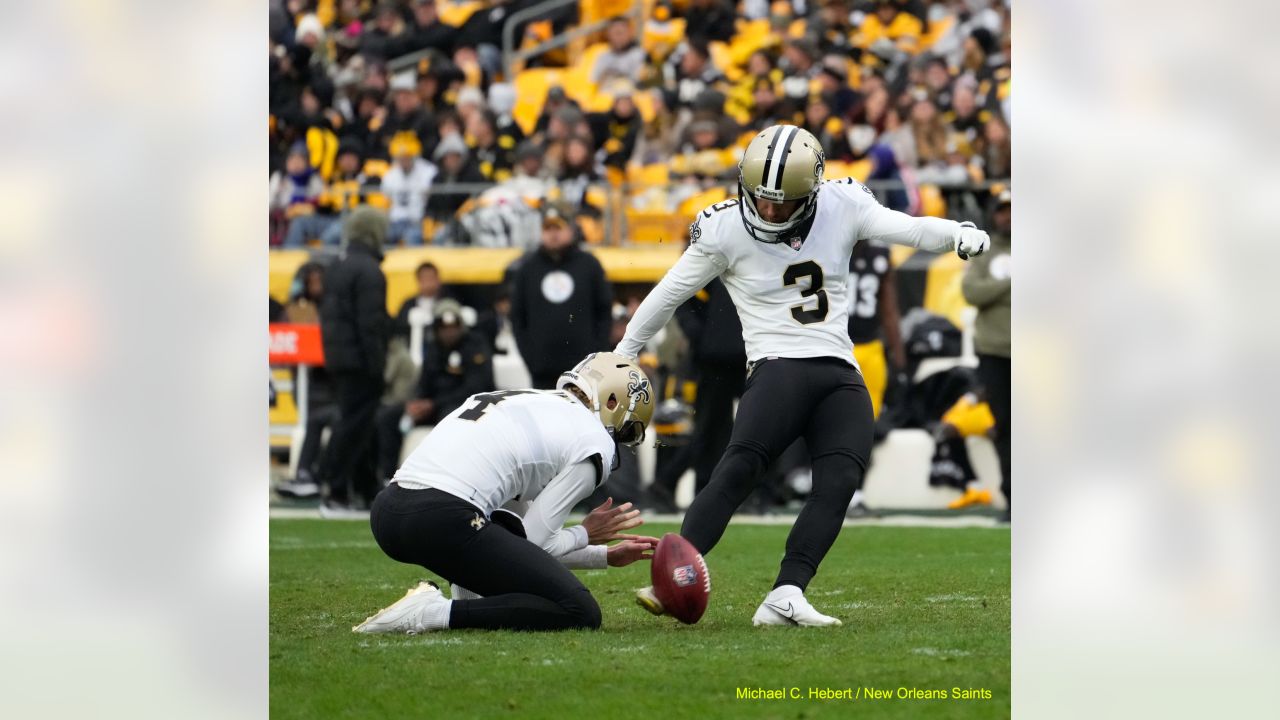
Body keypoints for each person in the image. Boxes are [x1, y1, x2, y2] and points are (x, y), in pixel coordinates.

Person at [619, 125, 990, 626]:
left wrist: (956, 234)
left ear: (812, 190)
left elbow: (910, 227)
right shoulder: (724, 228)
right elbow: (669, 293)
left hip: (840, 369)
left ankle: (786, 594)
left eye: (783, 202)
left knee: (838, 481)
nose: (769, 211)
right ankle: (669, 582)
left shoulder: (842, 204)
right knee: (739, 470)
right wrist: (625, 351)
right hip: (778, 367)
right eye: (762, 200)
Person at [354, 352, 657, 634]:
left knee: (501, 530)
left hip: (390, 511)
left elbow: (520, 546)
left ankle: (465, 594)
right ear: (613, 403)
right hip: (444, 519)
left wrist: (605, 556)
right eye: (627, 430)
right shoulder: (594, 441)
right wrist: (584, 534)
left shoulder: (527, 402)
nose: (620, 439)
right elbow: (538, 543)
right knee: (580, 611)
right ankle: (431, 613)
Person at [318, 206, 391, 512]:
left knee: (360, 424)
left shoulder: (336, 264)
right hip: (361, 360)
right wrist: (378, 365)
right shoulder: (369, 270)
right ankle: (334, 487)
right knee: (353, 425)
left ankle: (364, 487)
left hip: (338, 357)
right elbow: (370, 323)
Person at [374, 299, 495, 479]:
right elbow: (424, 382)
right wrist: (416, 403)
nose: (449, 332)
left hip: (464, 405)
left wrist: (433, 404)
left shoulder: (475, 345)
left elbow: (477, 387)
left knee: (450, 418)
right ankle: (389, 476)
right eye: (443, 327)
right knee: (387, 417)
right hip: (433, 405)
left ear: (461, 326)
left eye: (453, 326)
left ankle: (445, 478)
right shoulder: (433, 348)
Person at [509, 204, 613, 389]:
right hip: (542, 371)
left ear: (571, 230)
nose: (553, 234)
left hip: (584, 371)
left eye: (558, 227)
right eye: (547, 228)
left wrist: (596, 355)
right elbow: (518, 317)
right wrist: (532, 359)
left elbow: (604, 312)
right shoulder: (527, 268)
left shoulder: (589, 265)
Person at [961, 189, 1011, 523]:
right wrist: (1008, 284)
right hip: (994, 351)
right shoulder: (985, 252)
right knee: (1004, 426)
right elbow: (970, 292)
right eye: (1003, 211)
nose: (1008, 217)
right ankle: (1012, 497)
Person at [380, 133, 437, 246]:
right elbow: (386, 199)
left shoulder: (428, 172)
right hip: (395, 221)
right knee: (383, 237)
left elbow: (430, 198)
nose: (404, 160)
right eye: (401, 157)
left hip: (417, 220)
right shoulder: (390, 175)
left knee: (412, 238)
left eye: (407, 157)